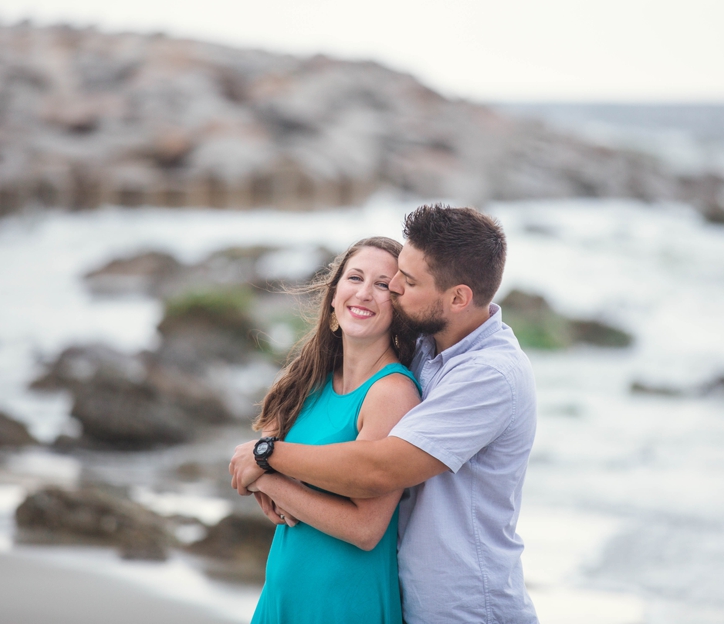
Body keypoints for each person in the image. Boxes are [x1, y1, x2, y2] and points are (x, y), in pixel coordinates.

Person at [230, 205, 539, 624]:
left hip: (465, 609)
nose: (391, 288)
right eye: (356, 278)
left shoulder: (489, 376)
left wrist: (265, 458)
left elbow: (377, 470)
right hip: (408, 597)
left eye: (406, 281)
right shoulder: (430, 351)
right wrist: (270, 469)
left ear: (458, 298)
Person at [243, 237, 423, 623]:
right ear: (333, 293)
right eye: (355, 278)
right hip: (282, 593)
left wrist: (270, 481)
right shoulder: (306, 379)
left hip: (344, 603)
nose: (364, 293)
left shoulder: (392, 393)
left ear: (399, 308)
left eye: (382, 285)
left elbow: (365, 528)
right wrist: (264, 475)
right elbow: (255, 466)